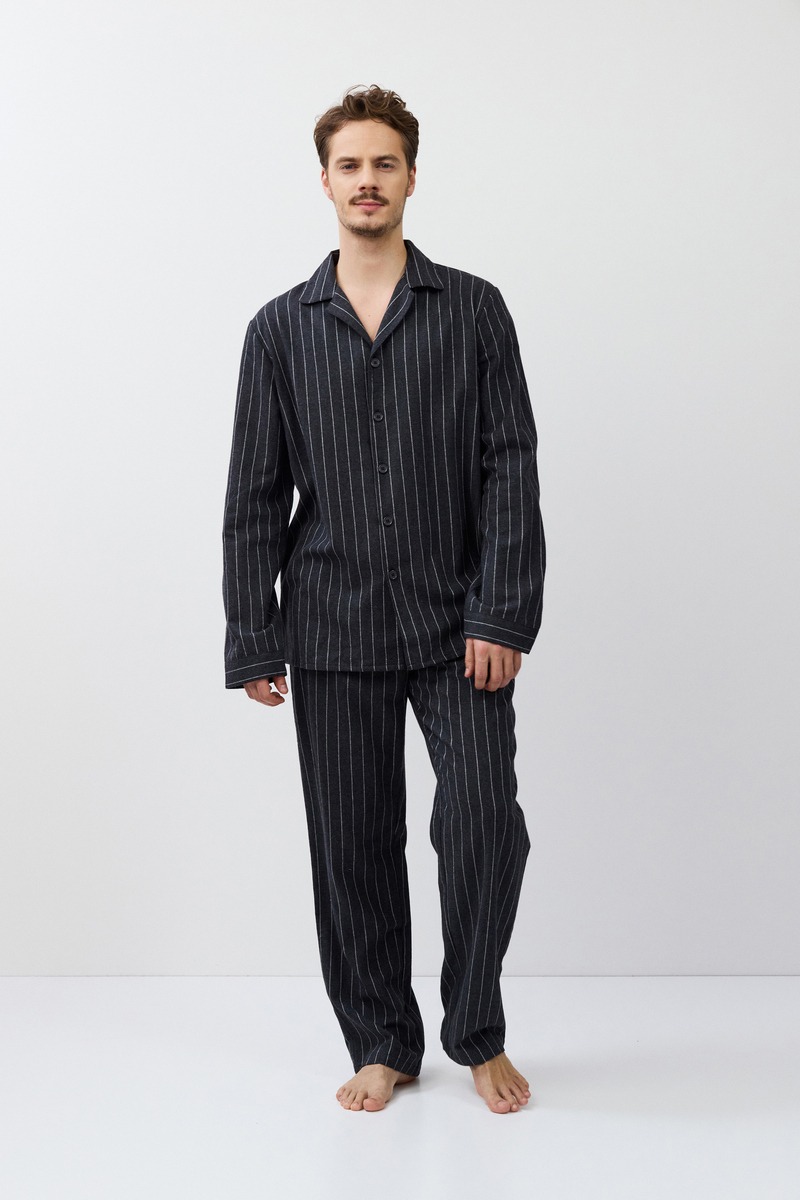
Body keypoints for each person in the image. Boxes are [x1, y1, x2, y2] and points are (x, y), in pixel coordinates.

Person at [222, 84, 546, 1114]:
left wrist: (501, 613)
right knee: (353, 848)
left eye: (385, 163)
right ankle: (380, 1042)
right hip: (328, 624)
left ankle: (475, 1029)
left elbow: (509, 464)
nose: (368, 181)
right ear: (324, 182)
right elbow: (255, 494)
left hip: (457, 626)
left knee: (484, 821)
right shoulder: (279, 330)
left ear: (411, 177)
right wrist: (253, 633)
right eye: (350, 165)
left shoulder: (474, 309)